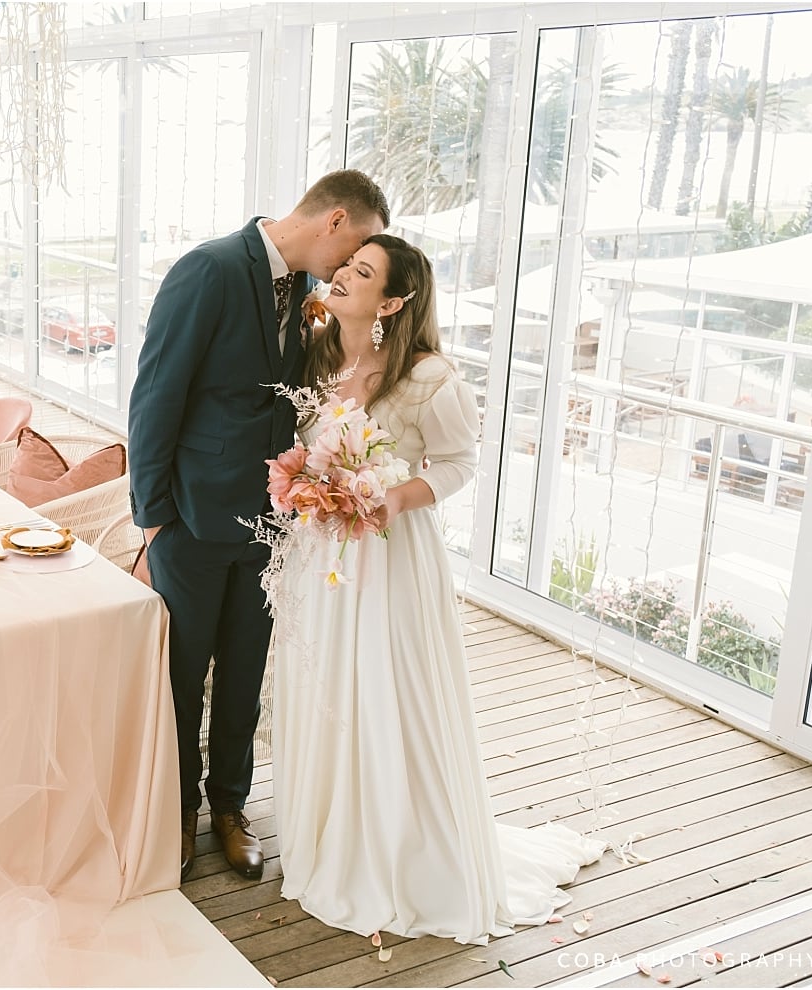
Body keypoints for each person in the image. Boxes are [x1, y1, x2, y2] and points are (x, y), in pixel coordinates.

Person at [271, 234, 604, 942]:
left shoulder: (428, 378)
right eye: (345, 265)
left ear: (391, 301)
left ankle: (402, 850)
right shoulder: (320, 352)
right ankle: (329, 828)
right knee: (324, 683)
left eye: (361, 273)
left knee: (386, 690)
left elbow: (457, 462)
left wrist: (393, 499)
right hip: (319, 553)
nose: (341, 275)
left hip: (387, 553)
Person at [128, 170, 391, 882]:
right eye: (355, 250)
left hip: (275, 527)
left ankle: (230, 809)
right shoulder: (207, 270)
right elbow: (155, 398)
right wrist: (153, 522)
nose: (347, 270)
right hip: (190, 521)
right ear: (334, 221)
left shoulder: (309, 300)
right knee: (182, 680)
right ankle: (176, 810)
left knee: (246, 675)